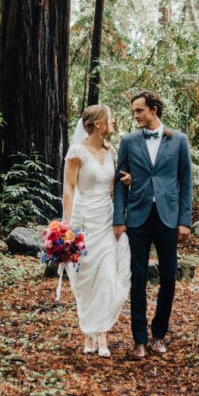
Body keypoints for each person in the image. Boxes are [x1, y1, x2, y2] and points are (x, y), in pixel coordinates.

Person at [113, 90, 193, 359]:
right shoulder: (128, 141)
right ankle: (139, 340)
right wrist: (118, 219)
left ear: (154, 110)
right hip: (137, 217)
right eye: (134, 111)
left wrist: (185, 221)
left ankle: (159, 335)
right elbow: (120, 180)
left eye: (139, 110)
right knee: (138, 277)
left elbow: (186, 183)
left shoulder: (179, 140)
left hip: (169, 218)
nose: (135, 115)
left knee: (169, 277)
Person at [62, 104, 131, 358]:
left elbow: (109, 183)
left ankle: (101, 334)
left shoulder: (110, 150)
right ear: (98, 124)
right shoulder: (77, 151)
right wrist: (67, 223)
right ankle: (88, 334)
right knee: (85, 280)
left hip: (105, 218)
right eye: (110, 119)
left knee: (106, 276)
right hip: (83, 219)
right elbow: (69, 188)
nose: (113, 122)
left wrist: (125, 181)